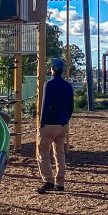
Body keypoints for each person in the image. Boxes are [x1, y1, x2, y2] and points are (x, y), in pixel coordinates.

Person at [37, 57, 74, 193]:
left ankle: (48, 181)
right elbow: (71, 106)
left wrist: (42, 122)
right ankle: (60, 183)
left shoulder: (48, 85)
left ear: (52, 69)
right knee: (60, 153)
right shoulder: (68, 86)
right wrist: (65, 120)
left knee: (43, 152)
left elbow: (46, 105)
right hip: (62, 124)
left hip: (49, 124)